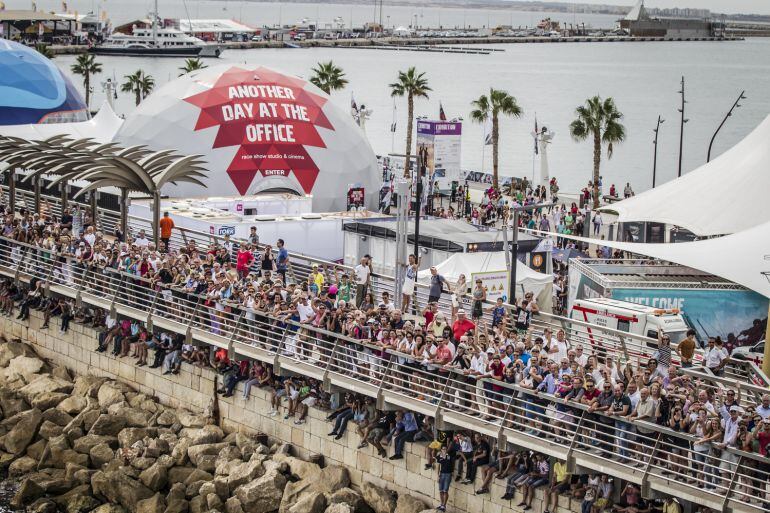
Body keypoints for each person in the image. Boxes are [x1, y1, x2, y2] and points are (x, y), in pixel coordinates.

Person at [435, 444, 454, 512]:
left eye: (445, 449)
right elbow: (438, 466)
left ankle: (444, 506)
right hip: (442, 474)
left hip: (448, 475)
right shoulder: (439, 457)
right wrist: (437, 475)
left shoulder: (449, 456)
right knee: (441, 490)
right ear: (441, 450)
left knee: (445, 490)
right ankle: (441, 504)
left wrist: (452, 472)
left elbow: (452, 465)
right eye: (443, 449)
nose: (444, 450)